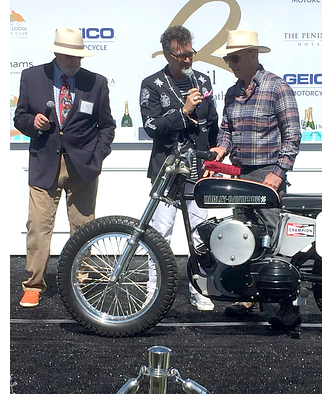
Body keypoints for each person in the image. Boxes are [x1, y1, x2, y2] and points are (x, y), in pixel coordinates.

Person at [14, 27, 115, 307]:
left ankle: (81, 280)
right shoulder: (32, 77)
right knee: (38, 227)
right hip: (44, 163)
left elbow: (107, 126)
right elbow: (19, 117)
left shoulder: (96, 82)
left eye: (79, 56)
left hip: (83, 166)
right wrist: (32, 122)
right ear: (57, 53)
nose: (76, 61)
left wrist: (97, 156)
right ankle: (33, 285)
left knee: (84, 226)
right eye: (71, 56)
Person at [211, 29, 302, 328]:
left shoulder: (278, 88)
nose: (231, 64)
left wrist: (278, 173)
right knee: (244, 235)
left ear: (253, 55)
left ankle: (289, 306)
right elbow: (227, 131)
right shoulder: (231, 93)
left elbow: (292, 135)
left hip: (266, 174)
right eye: (228, 59)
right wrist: (222, 148)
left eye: (235, 58)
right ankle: (249, 297)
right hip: (239, 174)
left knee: (277, 240)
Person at [140, 25, 219, 311]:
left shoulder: (203, 81)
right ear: (166, 54)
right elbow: (152, 126)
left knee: (200, 232)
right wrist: (183, 112)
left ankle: (200, 288)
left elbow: (213, 124)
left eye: (190, 54)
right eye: (181, 56)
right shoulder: (152, 84)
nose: (187, 60)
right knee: (160, 232)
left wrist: (213, 160)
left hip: (198, 169)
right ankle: (153, 289)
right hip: (167, 168)